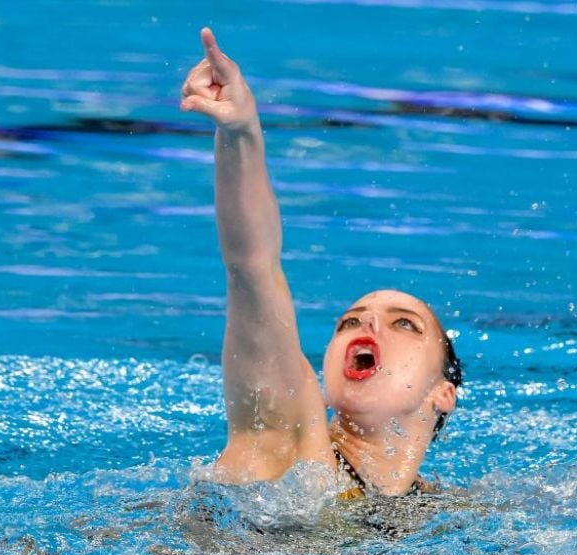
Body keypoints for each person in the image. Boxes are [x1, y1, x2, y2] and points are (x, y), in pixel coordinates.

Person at [179, 28, 461, 498]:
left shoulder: (441, 511)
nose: (368, 321)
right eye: (349, 322)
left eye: (405, 325)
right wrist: (241, 132)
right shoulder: (289, 443)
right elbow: (252, 267)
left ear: (442, 393)